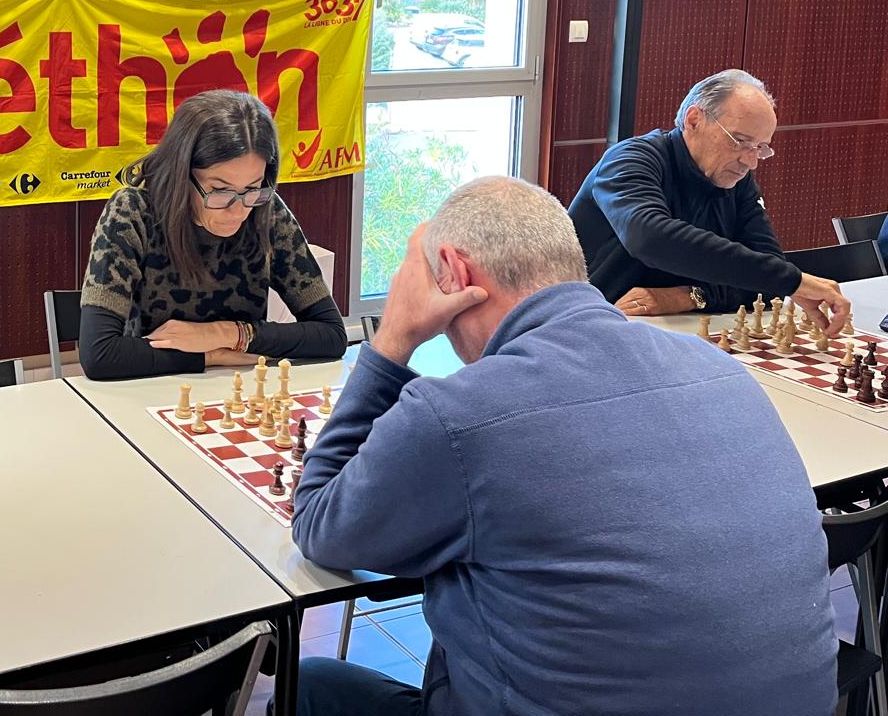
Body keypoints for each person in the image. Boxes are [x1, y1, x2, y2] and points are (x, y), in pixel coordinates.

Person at [291, 176, 835, 716]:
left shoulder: (458, 416)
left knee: (312, 683)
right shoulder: (722, 370)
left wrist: (393, 337)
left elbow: (319, 524)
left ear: (454, 275)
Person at [78, 89, 346, 380]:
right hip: (145, 391)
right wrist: (211, 356)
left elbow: (331, 334)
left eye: (252, 188)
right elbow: (99, 355)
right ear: (182, 174)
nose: (239, 209)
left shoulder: (267, 211)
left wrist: (225, 333)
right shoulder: (132, 213)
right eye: (220, 190)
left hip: (237, 390)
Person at [568, 68, 850, 333]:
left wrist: (689, 296)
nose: (750, 162)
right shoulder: (631, 160)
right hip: (590, 325)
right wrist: (792, 280)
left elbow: (767, 278)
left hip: (679, 331)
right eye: (740, 141)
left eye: (760, 148)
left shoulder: (737, 181)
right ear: (694, 121)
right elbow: (650, 238)